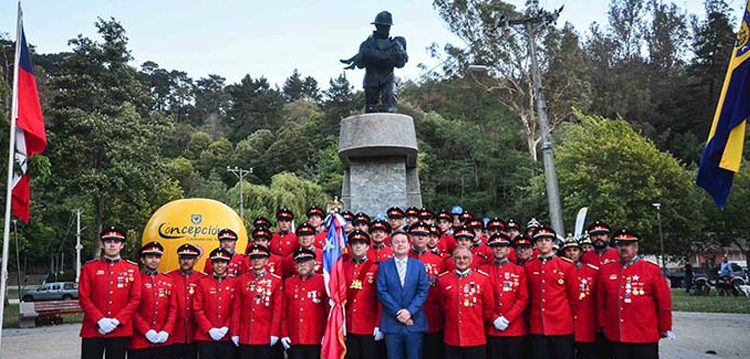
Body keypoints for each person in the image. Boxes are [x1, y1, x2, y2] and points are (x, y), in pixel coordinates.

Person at [596, 228, 674, 359]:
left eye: (627, 245)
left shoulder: (651, 270)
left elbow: (663, 302)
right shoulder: (607, 270)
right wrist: (602, 324)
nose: (623, 248)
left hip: (644, 334)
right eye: (620, 245)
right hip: (617, 334)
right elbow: (600, 301)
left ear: (636, 247)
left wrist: (665, 327)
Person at [79, 226, 142, 359]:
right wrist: (99, 320)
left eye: (116, 241)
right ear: (102, 244)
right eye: (108, 241)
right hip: (93, 329)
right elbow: (84, 297)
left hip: (120, 329)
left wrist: (117, 321)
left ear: (122, 245)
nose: (112, 244)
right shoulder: (89, 268)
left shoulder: (132, 268)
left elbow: (136, 298)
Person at [377, 230, 431, 359]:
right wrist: (398, 312)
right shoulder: (384, 267)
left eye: (403, 242)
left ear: (408, 245)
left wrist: (409, 312)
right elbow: (382, 291)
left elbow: (423, 291)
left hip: (414, 321)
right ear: (391, 246)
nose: (400, 245)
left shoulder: (418, 266)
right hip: (392, 322)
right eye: (396, 242)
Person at [525, 226, 577, 359]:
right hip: (538, 325)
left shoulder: (566, 265)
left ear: (553, 243)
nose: (543, 243)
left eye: (547, 240)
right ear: (535, 244)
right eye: (540, 240)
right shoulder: (529, 266)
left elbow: (573, 297)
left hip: (561, 325)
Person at [438, 246, 494, 359]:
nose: (462, 260)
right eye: (458, 258)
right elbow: (443, 306)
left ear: (471, 260)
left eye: (465, 258)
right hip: (452, 337)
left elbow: (488, 307)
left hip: (475, 336)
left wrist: (476, 320)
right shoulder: (443, 280)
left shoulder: (482, 279)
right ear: (453, 260)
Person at [232, 244, 284, 359]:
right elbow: (237, 308)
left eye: (260, 257)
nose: (256, 260)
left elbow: (277, 310)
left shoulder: (275, 281)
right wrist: (235, 332)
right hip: (246, 335)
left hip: (265, 335)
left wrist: (274, 333)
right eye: (253, 257)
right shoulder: (241, 280)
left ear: (266, 260)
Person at [481, 233, 528, 359]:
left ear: (508, 249)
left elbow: (523, 298)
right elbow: (482, 299)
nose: (499, 249)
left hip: (515, 328)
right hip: (492, 328)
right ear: (491, 249)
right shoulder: (483, 270)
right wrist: (494, 318)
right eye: (495, 246)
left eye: (502, 246)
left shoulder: (519, 270)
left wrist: (508, 318)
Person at [128, 241, 177, 359]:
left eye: (157, 256)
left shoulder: (168, 280)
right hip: (140, 341)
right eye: (150, 256)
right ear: (142, 260)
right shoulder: (135, 279)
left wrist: (166, 330)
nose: (154, 260)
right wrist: (146, 331)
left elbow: (173, 309)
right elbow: (132, 309)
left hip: (163, 339)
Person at [406, 222, 446, 359]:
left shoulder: (439, 261)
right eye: (417, 235)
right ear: (411, 237)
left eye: (424, 235)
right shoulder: (403, 258)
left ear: (429, 238)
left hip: (432, 317)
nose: (421, 238)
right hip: (408, 317)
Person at [280, 249, 329, 359]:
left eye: (306, 261)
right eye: (299, 262)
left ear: (313, 263)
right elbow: (283, 312)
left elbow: (329, 311)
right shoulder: (289, 282)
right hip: (295, 337)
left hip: (316, 337)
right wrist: (284, 334)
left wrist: (327, 333)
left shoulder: (323, 281)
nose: (302, 265)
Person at [343, 230, 382, 359]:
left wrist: (378, 324)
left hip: (368, 325)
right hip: (348, 325)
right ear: (350, 246)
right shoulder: (342, 267)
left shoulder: (375, 269)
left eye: (361, 243)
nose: (358, 246)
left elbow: (380, 300)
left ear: (367, 247)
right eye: (354, 243)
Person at [193, 248, 237, 359]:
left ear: (228, 264)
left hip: (227, 335)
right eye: (216, 262)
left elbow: (237, 309)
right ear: (212, 265)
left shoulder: (235, 283)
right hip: (206, 336)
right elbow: (197, 308)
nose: (219, 265)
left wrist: (226, 327)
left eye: (222, 262)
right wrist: (209, 329)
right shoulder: (202, 282)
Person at [560, 237, 599, 359]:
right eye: (568, 251)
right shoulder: (558, 270)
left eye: (574, 250)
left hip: (586, 323)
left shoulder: (592, 271)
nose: (572, 253)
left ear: (580, 252)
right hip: (565, 323)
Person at [167, 244, 206, 359]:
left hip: (195, 332)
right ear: (179, 260)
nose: (186, 261)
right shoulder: (168, 277)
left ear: (195, 261)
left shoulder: (202, 278)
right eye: (183, 258)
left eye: (189, 258)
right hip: (173, 333)